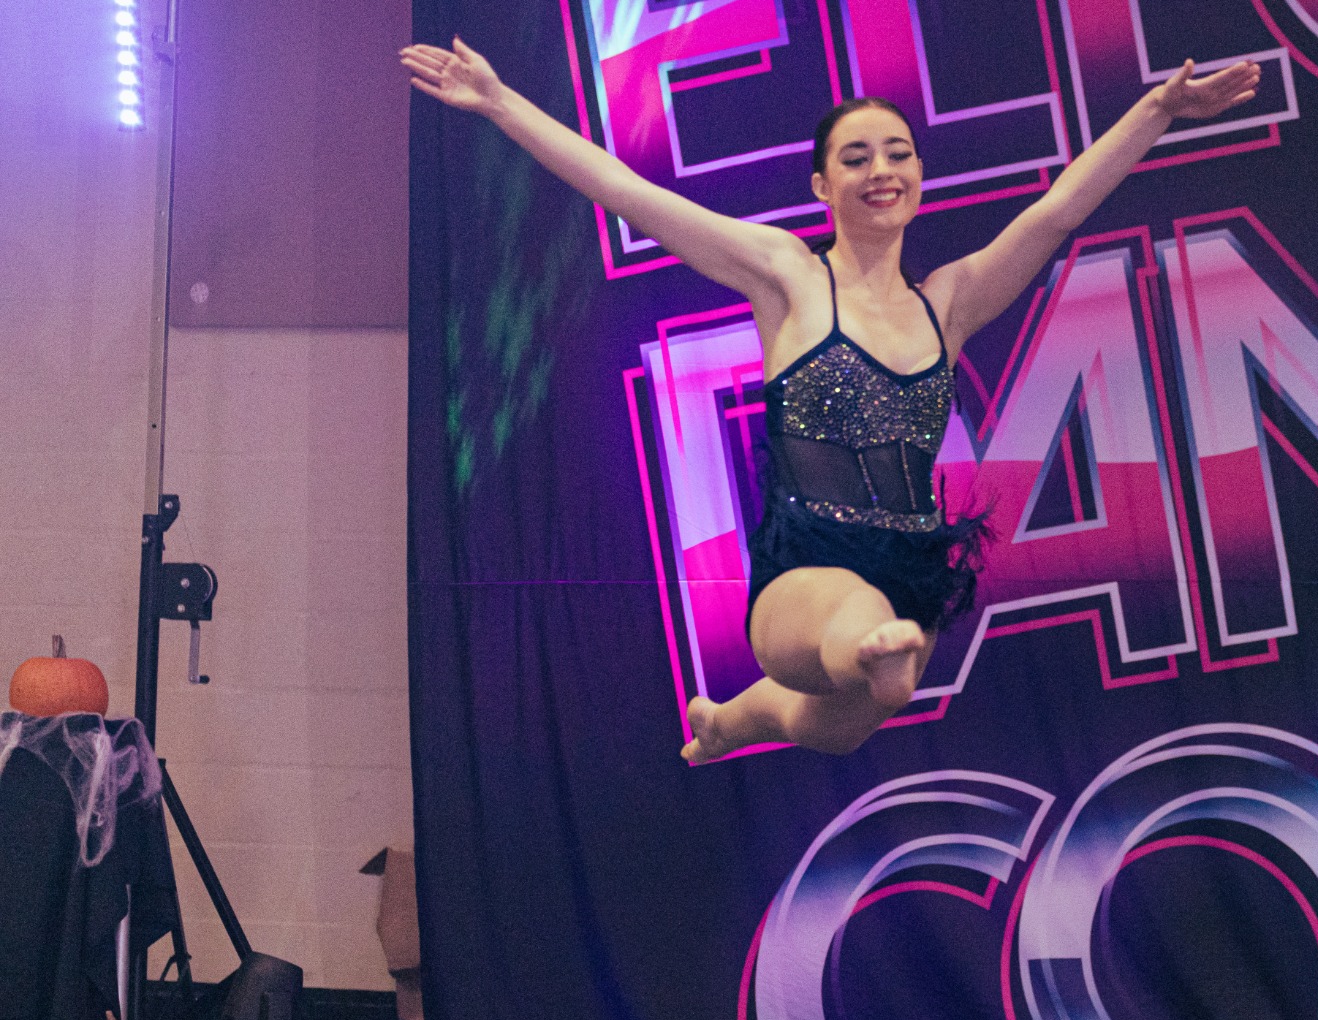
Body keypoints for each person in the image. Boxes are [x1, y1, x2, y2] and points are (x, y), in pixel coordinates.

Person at [400, 38, 1258, 763]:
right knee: (867, 627)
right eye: (856, 158)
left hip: (911, 567)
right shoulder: (788, 278)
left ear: (919, 172)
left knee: (840, 728)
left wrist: (1159, 110)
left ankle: (732, 721)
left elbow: (1056, 212)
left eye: (898, 153)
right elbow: (631, 195)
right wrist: (500, 102)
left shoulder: (949, 302)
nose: (881, 170)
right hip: (803, 573)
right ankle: (865, 648)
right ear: (821, 186)